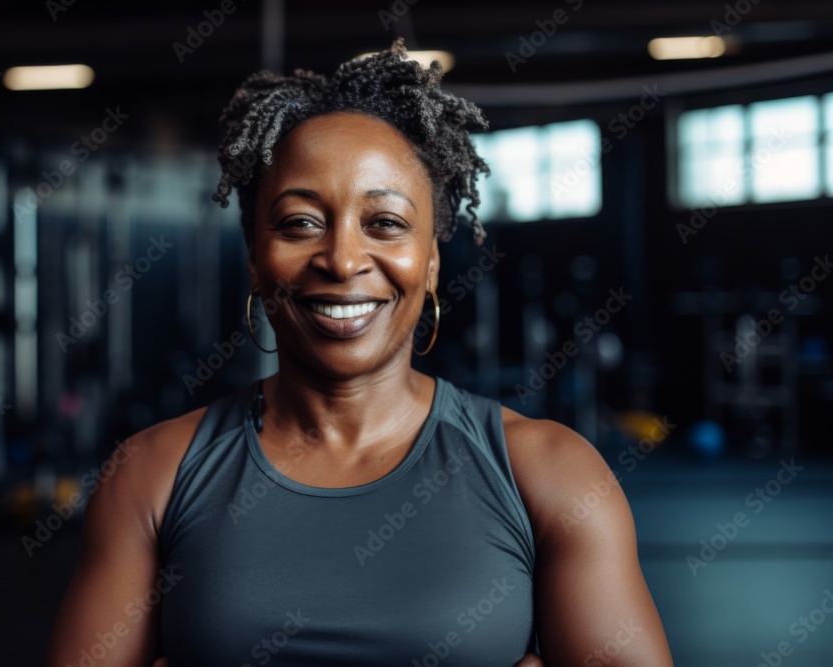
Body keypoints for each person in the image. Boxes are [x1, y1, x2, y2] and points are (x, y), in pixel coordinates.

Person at [46, 38, 673, 667]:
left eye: (386, 224)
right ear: (256, 263)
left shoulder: (552, 474)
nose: (343, 259)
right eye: (299, 223)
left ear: (430, 263)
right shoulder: (151, 475)